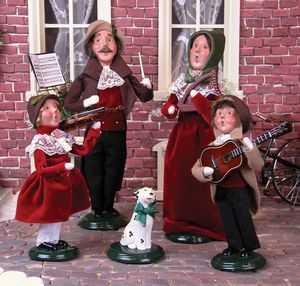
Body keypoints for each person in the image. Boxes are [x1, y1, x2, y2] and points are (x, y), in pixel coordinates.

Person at [64, 20, 153, 227]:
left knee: (114, 168)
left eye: (109, 39)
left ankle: (108, 207)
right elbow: (69, 103)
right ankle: (97, 208)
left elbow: (144, 96)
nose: (104, 44)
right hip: (95, 129)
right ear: (91, 47)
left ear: (117, 45)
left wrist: (148, 86)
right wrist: (85, 103)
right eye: (98, 40)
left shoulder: (124, 73)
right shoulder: (86, 76)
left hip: (117, 128)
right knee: (94, 169)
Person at [15, 94, 101, 261]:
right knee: (49, 215)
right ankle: (43, 242)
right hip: (48, 185)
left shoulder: (61, 136)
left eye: (56, 107)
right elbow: (41, 170)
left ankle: (52, 241)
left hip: (62, 184)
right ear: (38, 117)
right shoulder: (40, 141)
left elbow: (82, 150)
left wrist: (95, 132)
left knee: (59, 215)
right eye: (47, 108)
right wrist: (62, 167)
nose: (54, 110)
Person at [160, 30, 226, 243]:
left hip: (203, 137)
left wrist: (199, 100)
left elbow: (215, 116)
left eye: (204, 47)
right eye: (194, 45)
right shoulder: (182, 80)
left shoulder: (214, 84)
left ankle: (204, 222)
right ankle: (179, 220)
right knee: (179, 176)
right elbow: (171, 103)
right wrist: (169, 109)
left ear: (213, 53)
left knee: (203, 178)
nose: (197, 50)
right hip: (182, 136)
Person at [191, 95, 263, 258]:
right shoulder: (213, 147)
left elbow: (258, 165)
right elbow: (195, 169)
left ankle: (248, 247)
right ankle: (234, 246)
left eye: (228, 113)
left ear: (239, 118)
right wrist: (205, 171)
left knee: (243, 218)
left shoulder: (244, 143)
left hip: (239, 189)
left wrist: (250, 149)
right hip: (222, 189)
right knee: (228, 219)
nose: (222, 116)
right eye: (219, 113)